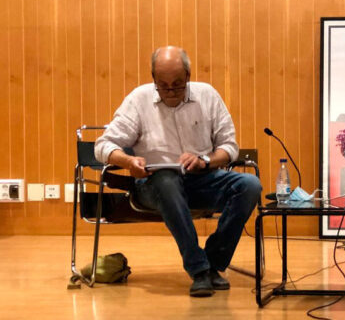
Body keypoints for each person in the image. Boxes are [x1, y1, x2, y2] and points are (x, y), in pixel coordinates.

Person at [94, 46, 262, 297]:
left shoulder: (207, 96)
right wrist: (129, 162)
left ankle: (213, 263)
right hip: (153, 186)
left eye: (178, 84)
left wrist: (205, 160)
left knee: (250, 185)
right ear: (153, 79)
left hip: (201, 179)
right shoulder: (139, 99)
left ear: (188, 76)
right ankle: (198, 269)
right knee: (167, 180)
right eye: (163, 85)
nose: (170, 91)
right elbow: (102, 146)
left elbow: (230, 147)